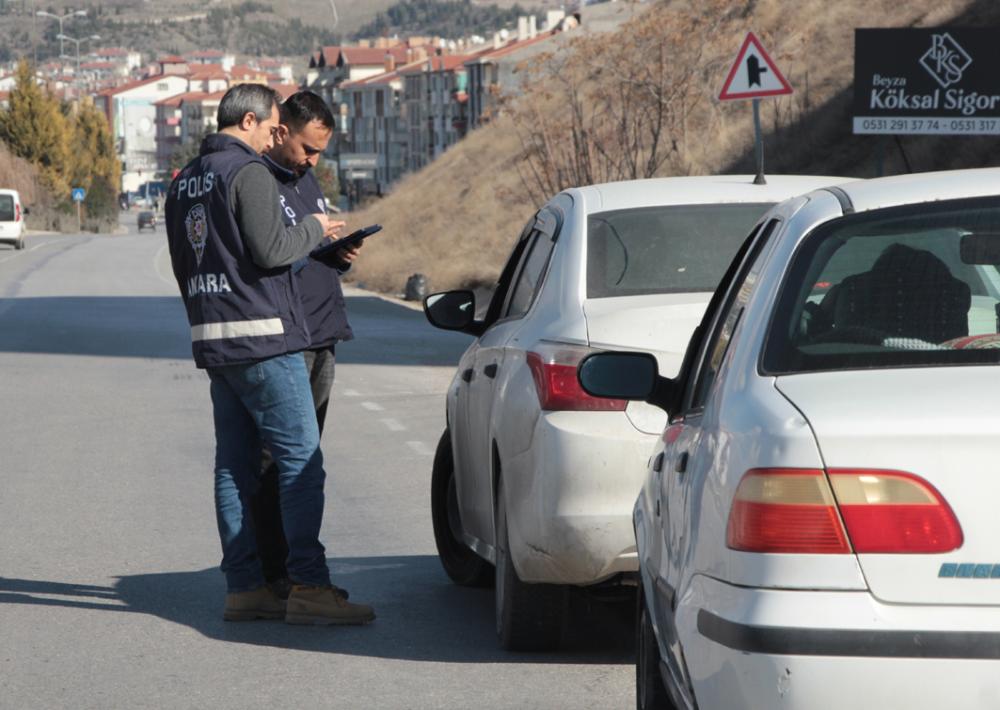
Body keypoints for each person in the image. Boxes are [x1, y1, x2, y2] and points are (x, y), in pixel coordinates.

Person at [164, 83, 375, 626]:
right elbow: (272, 249)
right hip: (263, 338)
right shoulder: (248, 171)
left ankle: (245, 588)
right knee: (301, 463)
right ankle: (309, 586)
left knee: (234, 469)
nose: (274, 136)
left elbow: (186, 262)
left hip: (215, 339)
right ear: (249, 121)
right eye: (271, 126)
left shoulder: (185, 181)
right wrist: (313, 228)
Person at [250, 90, 360, 600]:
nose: (313, 160)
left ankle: (291, 571)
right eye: (307, 149)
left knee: (305, 455)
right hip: (286, 338)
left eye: (321, 152)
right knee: (282, 460)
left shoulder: (306, 178)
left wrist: (337, 255)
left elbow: (307, 249)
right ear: (281, 131)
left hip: (323, 332)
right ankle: (277, 573)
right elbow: (267, 257)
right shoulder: (256, 181)